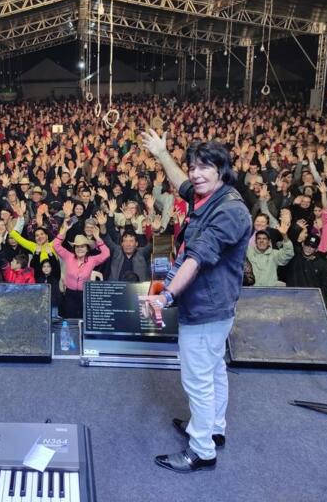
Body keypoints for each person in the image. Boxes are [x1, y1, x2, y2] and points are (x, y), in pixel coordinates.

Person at [140, 131, 252, 474]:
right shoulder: (210, 196)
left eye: (205, 167)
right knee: (214, 369)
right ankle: (214, 429)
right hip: (212, 307)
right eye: (193, 167)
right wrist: (162, 153)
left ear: (222, 170)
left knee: (197, 380)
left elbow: (196, 258)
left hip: (206, 310)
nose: (195, 174)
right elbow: (182, 184)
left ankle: (201, 450)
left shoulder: (230, 212)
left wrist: (166, 295)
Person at [53, 200, 110, 318]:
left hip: (85, 295)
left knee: (84, 319)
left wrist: (97, 238)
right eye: (77, 247)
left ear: (87, 249)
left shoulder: (92, 260)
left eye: (83, 247)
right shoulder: (68, 256)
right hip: (69, 294)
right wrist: (64, 231)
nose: (80, 249)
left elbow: (106, 253)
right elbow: (56, 245)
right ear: (74, 248)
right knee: (70, 319)